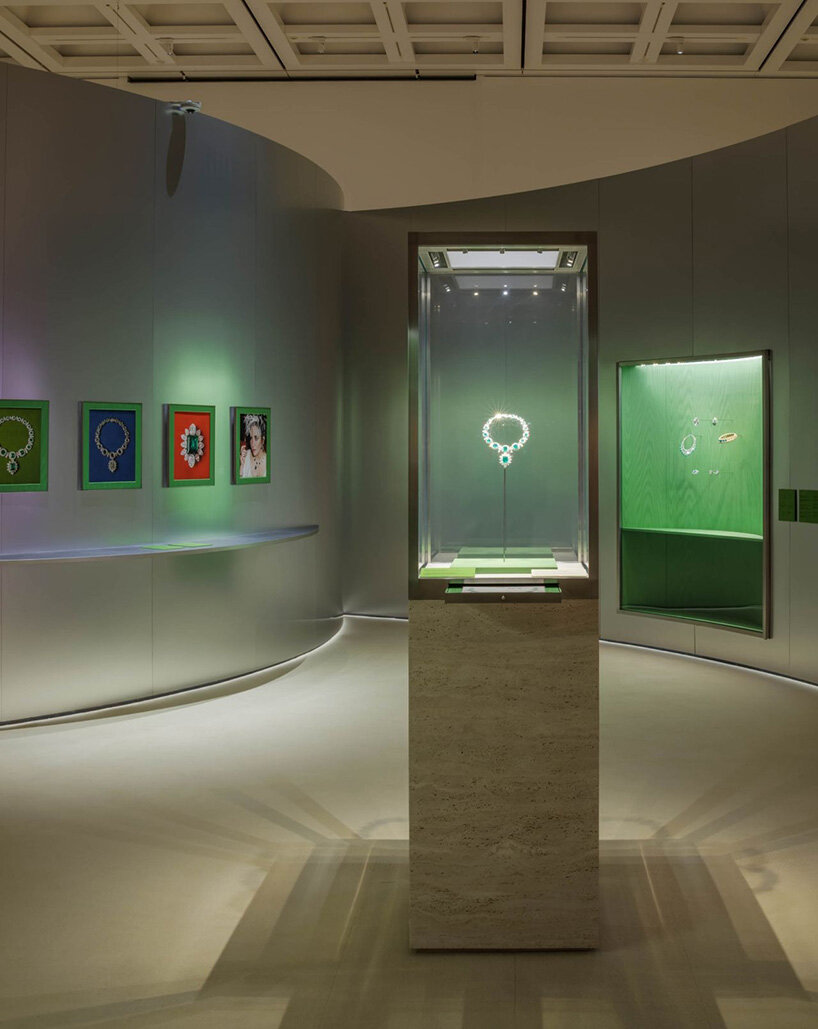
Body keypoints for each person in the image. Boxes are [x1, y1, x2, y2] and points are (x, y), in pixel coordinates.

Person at [239, 413, 267, 478]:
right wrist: (242, 465)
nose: (252, 443)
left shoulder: (269, 461)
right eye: (251, 438)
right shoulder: (245, 456)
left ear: (263, 440)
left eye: (256, 438)